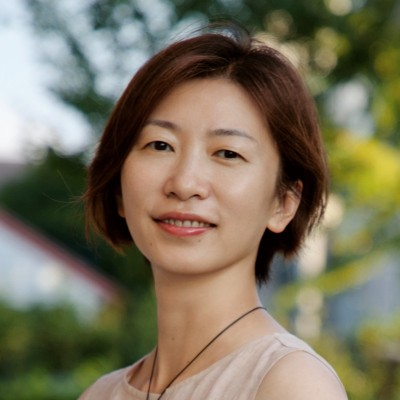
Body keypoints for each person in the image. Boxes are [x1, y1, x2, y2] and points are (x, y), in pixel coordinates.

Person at [79, 24, 347, 400]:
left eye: (227, 153)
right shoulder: (100, 393)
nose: (184, 183)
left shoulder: (291, 384)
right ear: (119, 188)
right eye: (160, 145)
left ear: (283, 203)